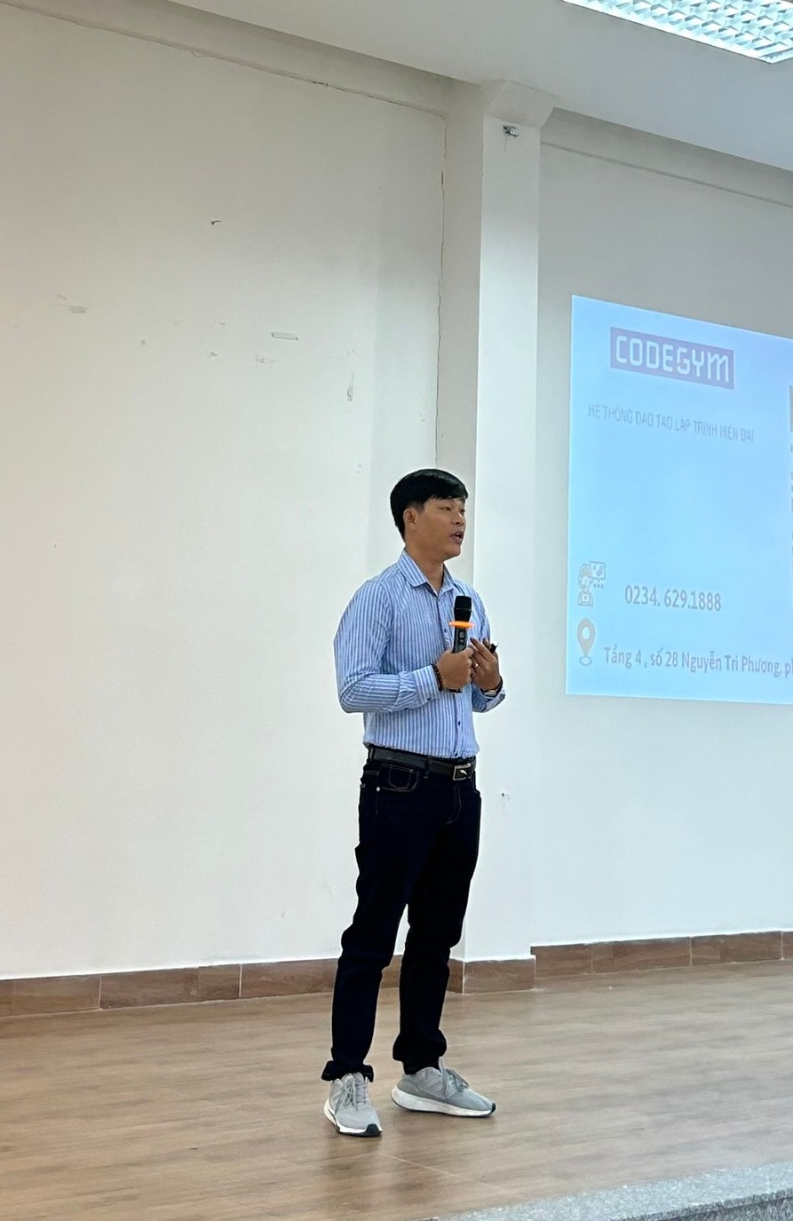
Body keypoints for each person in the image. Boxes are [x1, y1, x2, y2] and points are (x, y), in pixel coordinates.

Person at [322, 468, 505, 1137]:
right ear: (410, 518)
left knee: (437, 935)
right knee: (373, 934)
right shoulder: (378, 598)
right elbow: (353, 690)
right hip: (397, 785)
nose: (459, 520)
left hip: (459, 788)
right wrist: (433, 677)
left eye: (463, 509)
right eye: (446, 508)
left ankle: (422, 1068)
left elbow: (479, 698)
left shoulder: (469, 601)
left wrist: (490, 682)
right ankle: (347, 1076)